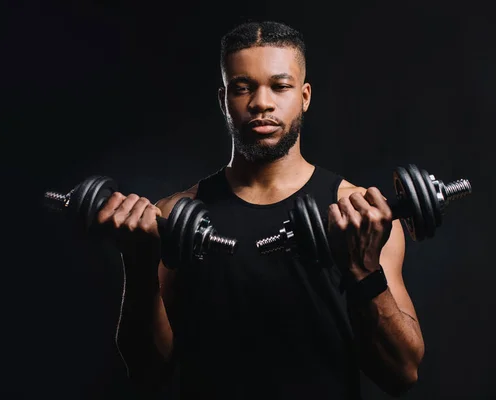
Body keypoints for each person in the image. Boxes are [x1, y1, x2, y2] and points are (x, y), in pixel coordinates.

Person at [98, 20, 425, 399]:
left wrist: (363, 270)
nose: (261, 103)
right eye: (243, 87)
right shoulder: (173, 215)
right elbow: (148, 373)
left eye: (280, 86)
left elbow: (402, 373)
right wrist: (139, 268)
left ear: (304, 96)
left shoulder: (362, 214)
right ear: (224, 100)